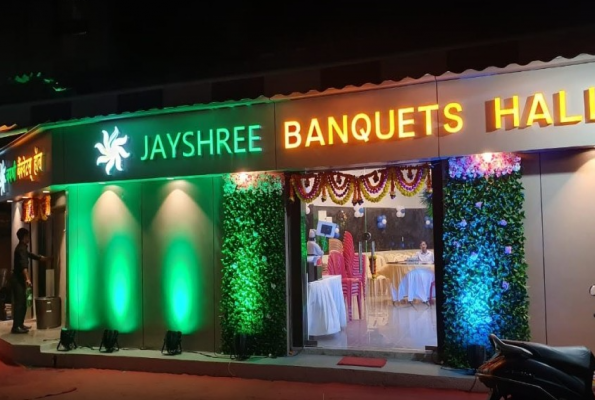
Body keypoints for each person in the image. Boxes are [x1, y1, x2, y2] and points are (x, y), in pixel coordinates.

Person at [11, 228, 50, 334]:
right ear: (24, 237)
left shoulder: (22, 247)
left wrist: (40, 258)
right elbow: (23, 266)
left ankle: (20, 324)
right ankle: (16, 327)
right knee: (20, 303)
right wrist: (27, 279)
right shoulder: (21, 249)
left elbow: (30, 255)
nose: (29, 238)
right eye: (28, 236)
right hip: (17, 280)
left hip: (18, 280)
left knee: (23, 302)